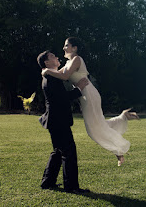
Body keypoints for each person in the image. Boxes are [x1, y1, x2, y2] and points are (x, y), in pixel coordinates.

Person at [41, 37, 139, 166]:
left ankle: (118, 150)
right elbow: (59, 74)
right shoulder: (69, 62)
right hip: (84, 95)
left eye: (66, 45)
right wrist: (47, 71)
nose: (64, 48)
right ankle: (123, 119)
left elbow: (64, 76)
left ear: (74, 48)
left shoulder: (76, 59)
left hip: (88, 93)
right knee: (97, 125)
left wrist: (46, 70)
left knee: (94, 128)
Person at [37, 50, 90, 194]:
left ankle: (47, 181)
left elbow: (64, 76)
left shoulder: (51, 75)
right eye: (53, 56)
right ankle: (71, 186)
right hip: (58, 120)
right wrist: (79, 88)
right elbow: (63, 99)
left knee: (58, 152)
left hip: (55, 120)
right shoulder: (51, 78)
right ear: (47, 62)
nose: (56, 57)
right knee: (69, 152)